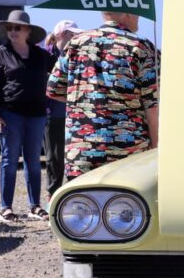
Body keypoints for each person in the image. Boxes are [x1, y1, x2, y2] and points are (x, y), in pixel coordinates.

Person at [47, 11, 158, 180]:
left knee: (81, 203)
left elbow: (53, 90)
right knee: (126, 204)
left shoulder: (75, 43)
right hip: (128, 152)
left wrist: (87, 102)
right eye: (137, 14)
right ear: (126, 13)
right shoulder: (140, 46)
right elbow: (153, 106)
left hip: (81, 150)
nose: (139, 19)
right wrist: (156, 149)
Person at [0, 10, 53, 223]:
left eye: (17, 27)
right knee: (8, 160)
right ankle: (5, 208)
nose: (12, 31)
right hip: (10, 114)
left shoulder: (41, 55)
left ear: (27, 31)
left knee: (33, 161)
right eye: (10, 28)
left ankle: (34, 206)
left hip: (36, 115)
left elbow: (61, 71)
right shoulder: (1, 54)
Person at [42, 20, 83, 203]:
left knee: (73, 157)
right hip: (53, 112)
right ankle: (53, 196)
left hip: (73, 113)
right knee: (54, 158)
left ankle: (70, 196)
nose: (74, 37)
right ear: (60, 35)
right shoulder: (46, 56)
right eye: (70, 34)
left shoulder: (75, 54)